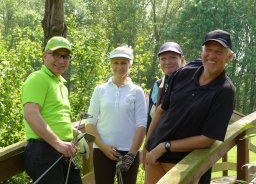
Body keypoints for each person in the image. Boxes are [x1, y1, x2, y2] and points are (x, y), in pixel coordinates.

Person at [143, 29, 236, 184]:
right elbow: (161, 110)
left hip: (186, 165)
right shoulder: (183, 74)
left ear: (229, 57)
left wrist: (165, 146)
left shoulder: (225, 91)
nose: (212, 56)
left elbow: (207, 139)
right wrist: (147, 146)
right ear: (202, 52)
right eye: (208, 50)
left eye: (219, 51)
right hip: (155, 158)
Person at [22, 36, 86, 184]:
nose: (62, 60)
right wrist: (58, 143)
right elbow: (31, 114)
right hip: (44, 150)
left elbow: (56, 117)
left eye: (66, 56)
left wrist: (74, 132)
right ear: (44, 56)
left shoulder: (61, 84)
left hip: (62, 150)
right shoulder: (38, 78)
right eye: (56, 55)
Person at [85, 45, 147, 184]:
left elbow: (141, 125)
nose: (119, 67)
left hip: (129, 153)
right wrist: (104, 148)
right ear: (110, 64)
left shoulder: (137, 91)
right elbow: (89, 124)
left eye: (124, 63)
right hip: (102, 151)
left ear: (130, 64)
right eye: (116, 62)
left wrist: (131, 155)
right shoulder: (100, 90)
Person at [147, 42, 186, 132]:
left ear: (182, 59)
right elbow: (150, 119)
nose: (168, 62)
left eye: (173, 57)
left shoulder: (190, 83)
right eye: (163, 58)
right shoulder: (157, 86)